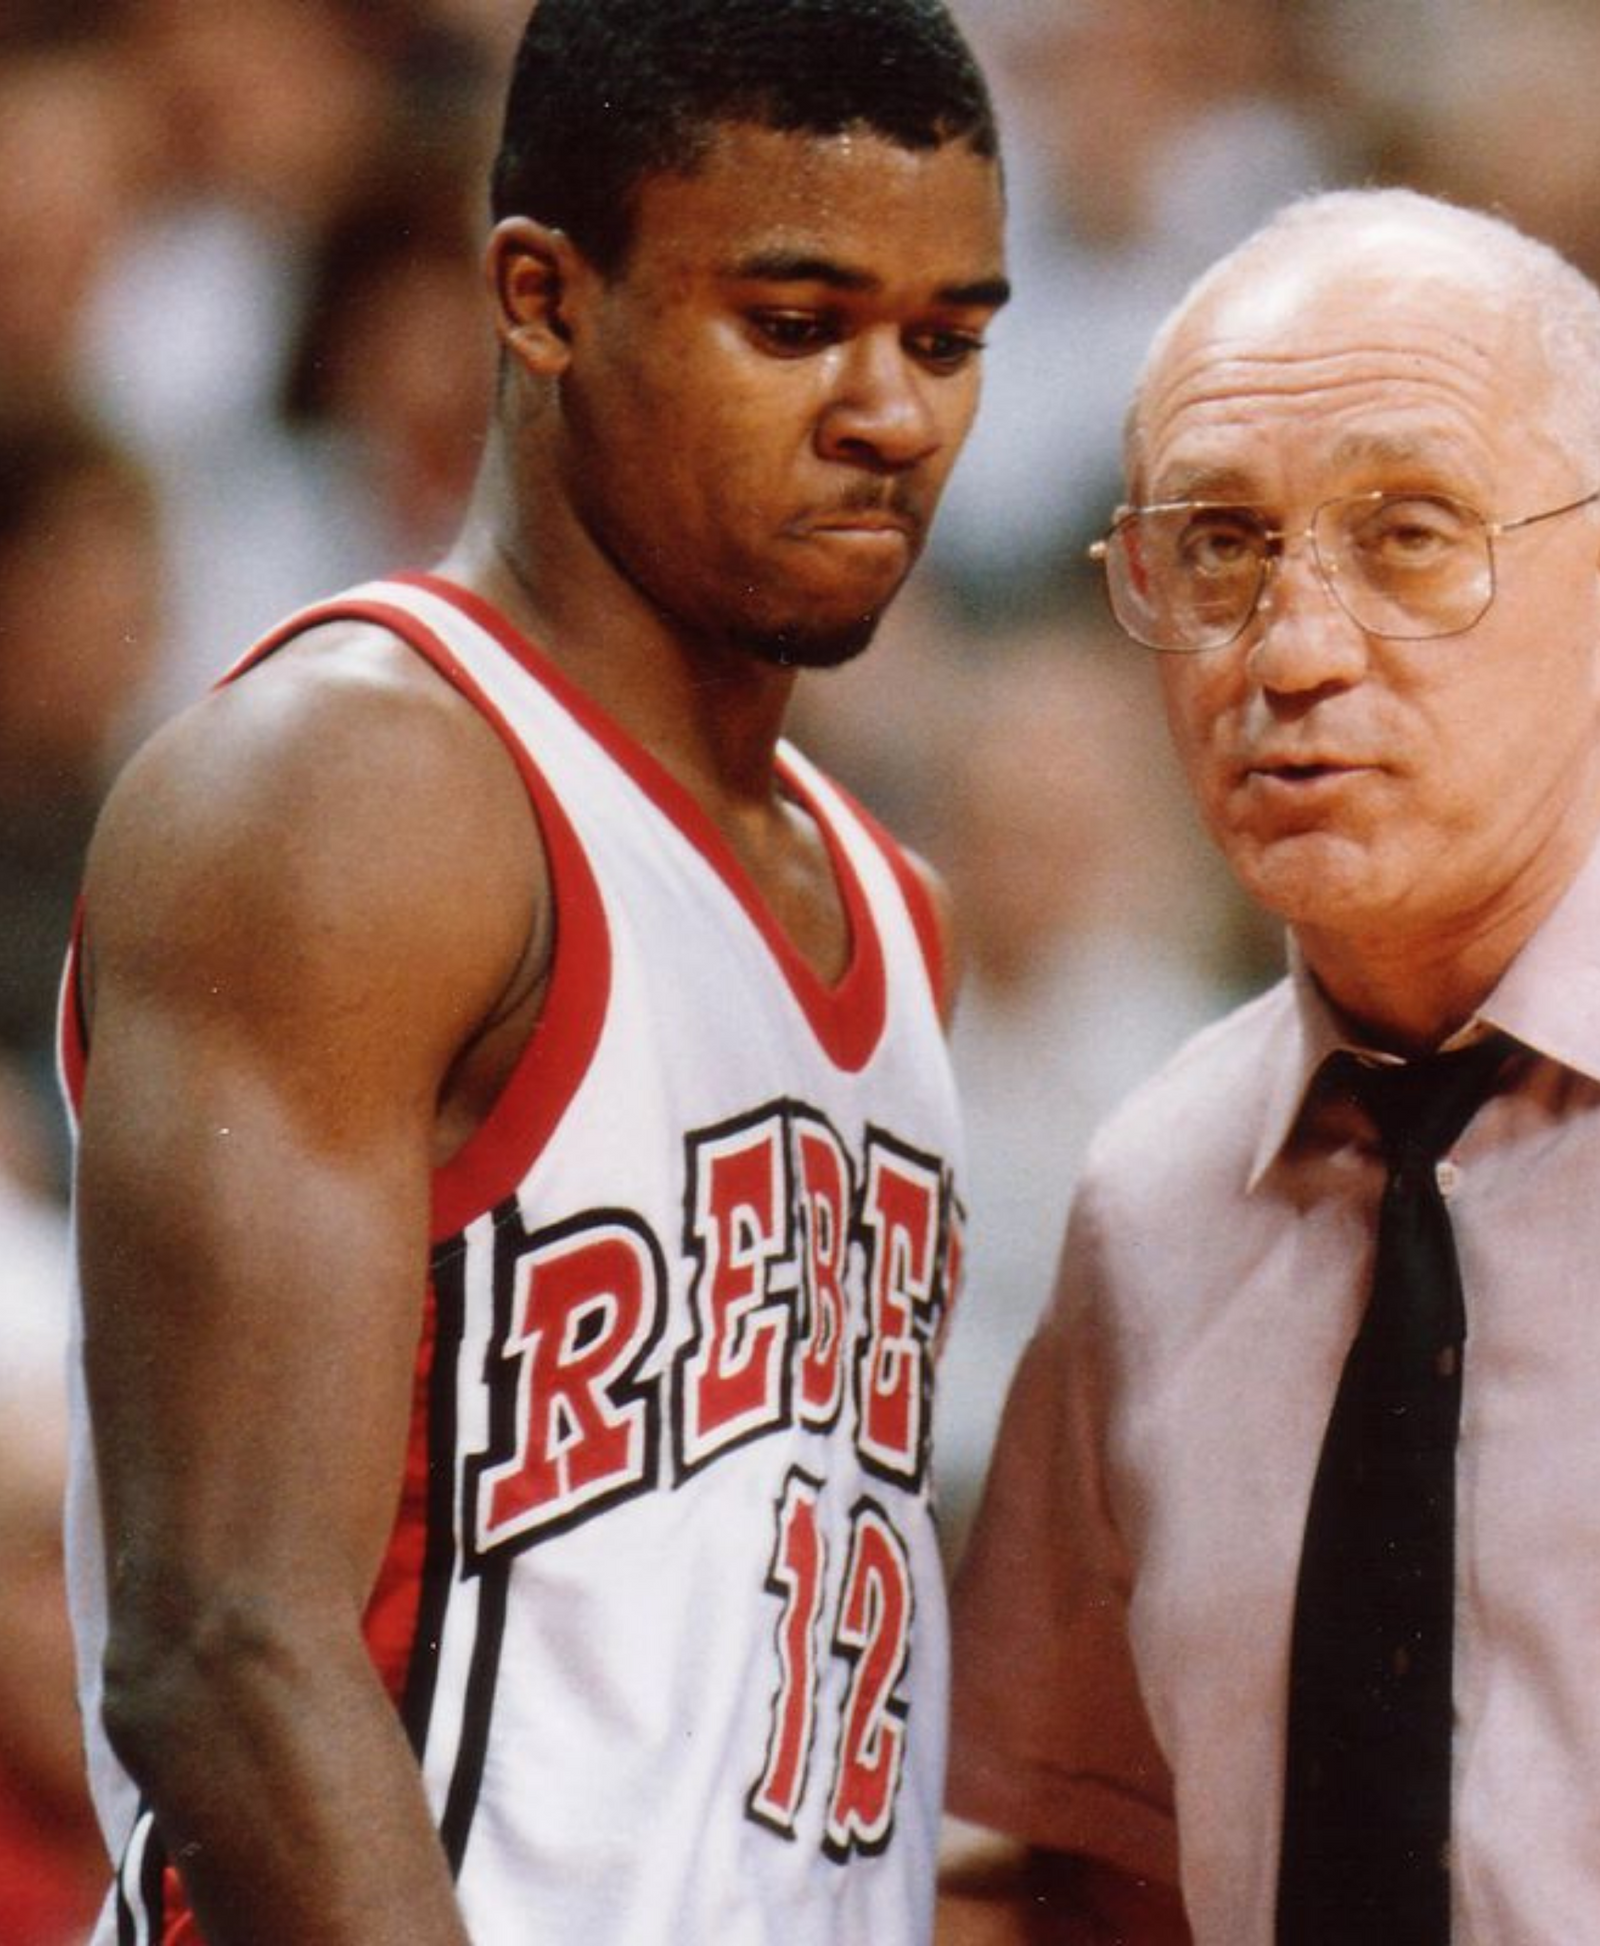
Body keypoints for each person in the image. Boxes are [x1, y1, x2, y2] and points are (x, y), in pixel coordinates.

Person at [62, 3, 1007, 1942]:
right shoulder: (355, 792)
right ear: (541, 298)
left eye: (946, 339)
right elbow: (225, 1647)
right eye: (793, 320)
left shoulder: (901, 912)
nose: (889, 410)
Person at [941, 186, 1600, 1944]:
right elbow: (1082, 1878)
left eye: (1406, 535)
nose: (1295, 651)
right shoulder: (1157, 1197)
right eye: (1218, 549)